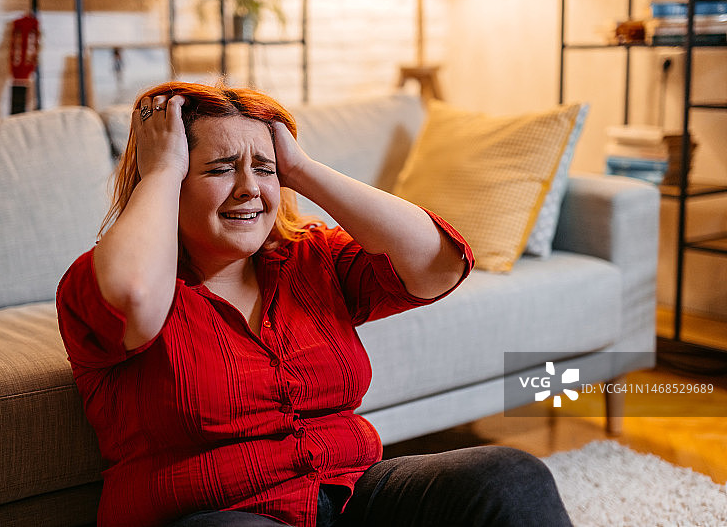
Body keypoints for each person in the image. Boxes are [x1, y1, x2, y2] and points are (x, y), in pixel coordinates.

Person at [56, 81, 573, 527]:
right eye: (218, 169)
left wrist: (301, 170)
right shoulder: (104, 278)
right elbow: (134, 297)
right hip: (222, 514)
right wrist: (160, 173)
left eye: (264, 168)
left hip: (351, 495)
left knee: (511, 476)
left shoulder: (310, 258)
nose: (249, 190)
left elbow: (438, 265)